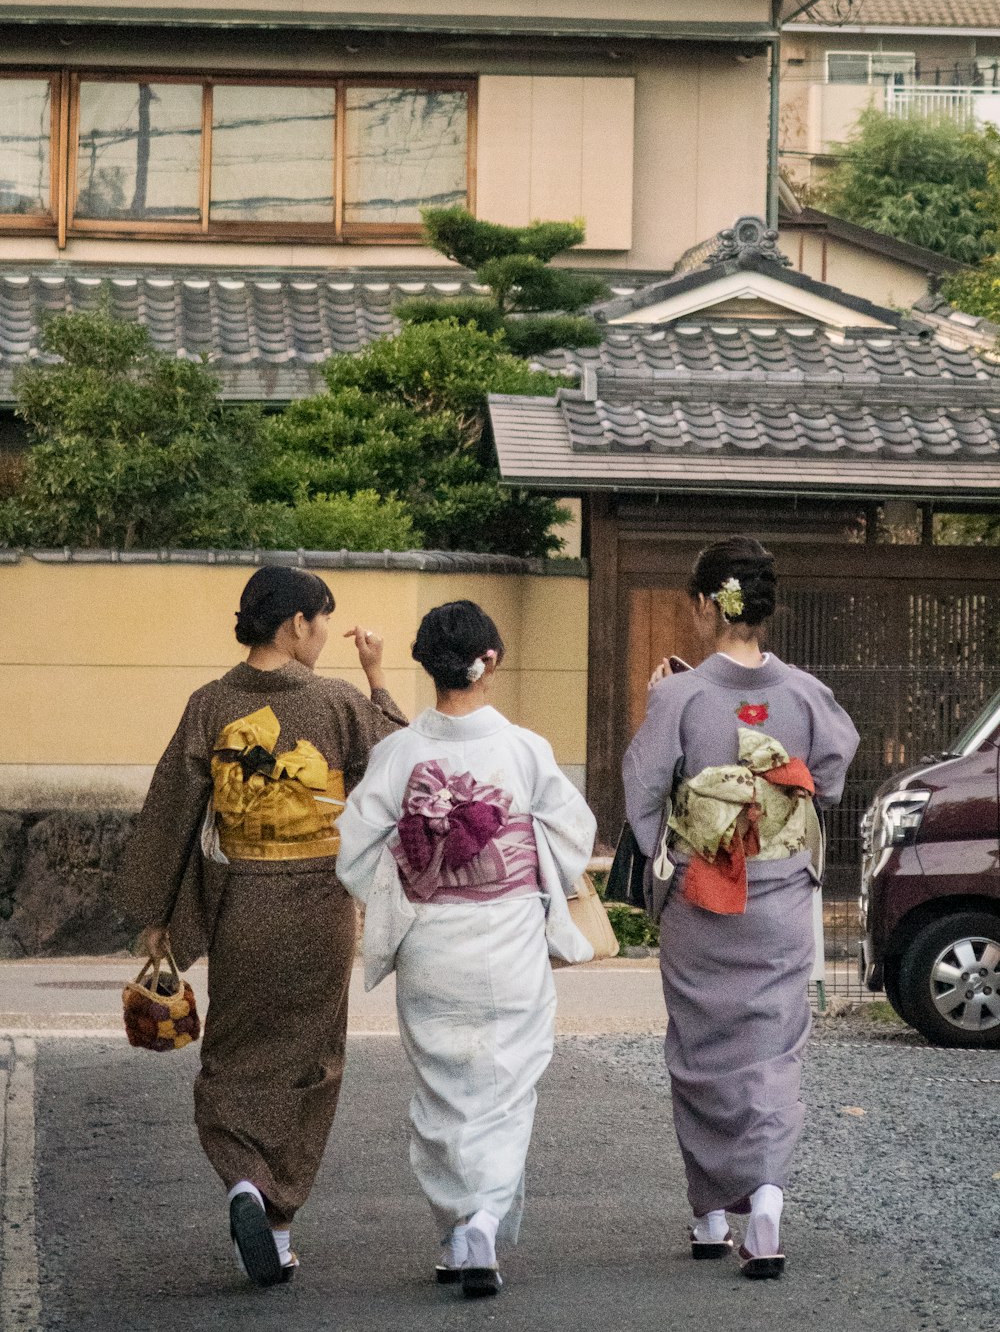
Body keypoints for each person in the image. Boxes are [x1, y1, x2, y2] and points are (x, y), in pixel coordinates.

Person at [118, 566, 406, 1288]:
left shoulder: (210, 704)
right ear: (295, 625)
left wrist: (159, 917)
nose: (322, 638)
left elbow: (173, 813)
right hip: (319, 903)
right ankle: (277, 1221)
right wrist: (377, 678)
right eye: (320, 623)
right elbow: (398, 761)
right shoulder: (338, 702)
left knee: (235, 1051)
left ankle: (243, 1177)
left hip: (241, 902)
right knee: (312, 1058)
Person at [337, 600, 596, 1298]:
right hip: (507, 934)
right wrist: (514, 852)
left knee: (442, 1088)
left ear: (427, 665)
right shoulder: (524, 749)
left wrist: (420, 864)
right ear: (492, 662)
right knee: (506, 1086)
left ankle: (458, 1229)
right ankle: (482, 1218)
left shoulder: (397, 755)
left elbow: (354, 852)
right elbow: (572, 834)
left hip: (431, 940)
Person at [623, 537, 859, 1280]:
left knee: (700, 1050)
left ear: (704, 606)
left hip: (705, 894)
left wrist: (688, 837)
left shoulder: (678, 696)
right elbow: (831, 773)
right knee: (773, 1048)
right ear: (764, 609)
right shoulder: (806, 694)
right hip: (781, 892)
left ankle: (707, 1214)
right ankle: (765, 1202)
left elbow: (643, 791)